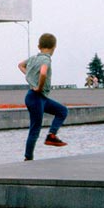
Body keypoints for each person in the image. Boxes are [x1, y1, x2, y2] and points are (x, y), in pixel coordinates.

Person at [18, 33, 69, 161]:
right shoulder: (46, 59)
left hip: (38, 98)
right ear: (54, 47)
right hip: (36, 97)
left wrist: (30, 77)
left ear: (39, 46)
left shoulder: (34, 58)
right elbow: (43, 72)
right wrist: (39, 86)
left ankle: (51, 135)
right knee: (35, 128)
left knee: (62, 110)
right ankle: (28, 158)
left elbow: (20, 65)